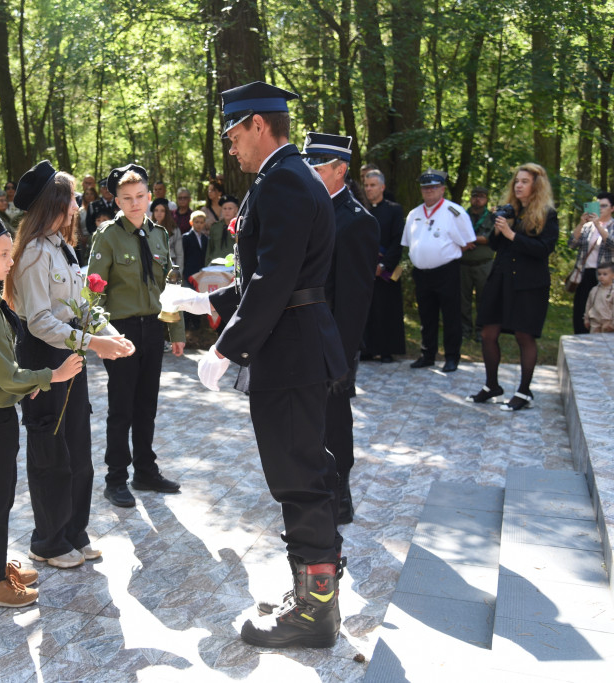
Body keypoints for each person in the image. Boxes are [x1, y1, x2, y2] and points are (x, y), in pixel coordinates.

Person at [163, 82, 349, 649]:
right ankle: (312, 593)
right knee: (298, 473)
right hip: (294, 346)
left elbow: (275, 282)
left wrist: (226, 348)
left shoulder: (286, 181)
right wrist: (206, 302)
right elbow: (263, 278)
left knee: (299, 478)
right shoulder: (287, 178)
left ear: (258, 125)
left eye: (233, 133)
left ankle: (316, 612)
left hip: (291, 353)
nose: (230, 147)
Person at [5, 160, 134, 569]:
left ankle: (74, 531)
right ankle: (47, 540)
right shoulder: (31, 254)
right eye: (73, 197)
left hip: (71, 355)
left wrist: (109, 333)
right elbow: (41, 321)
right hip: (44, 357)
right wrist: (93, 343)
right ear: (55, 203)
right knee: (50, 451)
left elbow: (81, 305)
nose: (78, 205)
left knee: (78, 447)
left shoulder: (61, 247)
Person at [0, 215, 83, 607]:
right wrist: (52, 375)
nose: (11, 261)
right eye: (4, 254)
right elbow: (6, 376)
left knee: (0, 495)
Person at [88, 164, 185, 509]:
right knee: (122, 408)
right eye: (127, 198)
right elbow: (93, 294)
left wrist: (176, 329)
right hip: (122, 333)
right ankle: (116, 478)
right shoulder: (107, 236)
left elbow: (168, 286)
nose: (135, 204)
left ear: (149, 196)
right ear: (116, 200)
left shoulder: (158, 234)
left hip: (152, 327)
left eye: (140, 196)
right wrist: (103, 338)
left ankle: (145, 470)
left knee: (147, 406)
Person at [301, 131, 378, 526]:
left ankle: (341, 491)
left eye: (316, 167)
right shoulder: (308, 208)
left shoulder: (357, 222)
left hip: (333, 343)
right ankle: (312, 486)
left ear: (340, 170)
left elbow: (354, 301)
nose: (309, 173)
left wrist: (343, 360)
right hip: (300, 337)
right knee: (305, 419)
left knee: (335, 417)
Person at [466, 163, 558, 411]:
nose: (518, 185)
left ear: (536, 185)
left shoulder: (547, 213)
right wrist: (499, 229)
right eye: (517, 180)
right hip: (501, 279)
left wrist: (512, 234)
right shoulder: (510, 210)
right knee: (487, 334)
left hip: (529, 283)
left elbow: (543, 249)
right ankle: (492, 386)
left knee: (523, 335)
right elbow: (497, 246)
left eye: (525, 181)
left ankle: (524, 391)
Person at [402, 169, 475, 372]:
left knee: (451, 316)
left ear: (442, 189)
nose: (429, 191)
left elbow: (468, 242)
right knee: (426, 316)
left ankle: (452, 357)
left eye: (433, 187)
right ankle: (427, 354)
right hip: (421, 273)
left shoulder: (455, 212)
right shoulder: (414, 214)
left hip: (446, 272)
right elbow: (408, 243)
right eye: (425, 187)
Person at [360, 170, 406, 362]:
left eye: (373, 185)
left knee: (386, 309)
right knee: (367, 310)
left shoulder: (394, 210)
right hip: (365, 270)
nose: (369, 189)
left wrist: (384, 264)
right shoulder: (361, 209)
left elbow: (398, 240)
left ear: (382, 187)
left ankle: (387, 350)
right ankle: (367, 349)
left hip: (386, 270)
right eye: (367, 185)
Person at [569, 191, 614, 334]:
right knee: (581, 314)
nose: (600, 209)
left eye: (604, 206)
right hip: (586, 275)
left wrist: (599, 225)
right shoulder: (588, 227)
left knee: (607, 315)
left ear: (612, 208)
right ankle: (581, 347)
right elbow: (572, 244)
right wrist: (582, 223)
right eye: (598, 205)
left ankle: (608, 350)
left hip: (607, 277)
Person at [459, 186, 495, 341]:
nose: (477, 199)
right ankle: (464, 330)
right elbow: (453, 235)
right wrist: (467, 240)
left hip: (484, 264)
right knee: (462, 300)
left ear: (486, 199)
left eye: (481, 196)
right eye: (475, 196)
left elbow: (490, 238)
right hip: (463, 263)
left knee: (484, 299)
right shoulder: (461, 215)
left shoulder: (492, 217)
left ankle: (481, 331)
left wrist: (470, 239)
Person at [583, 262, 614, 333]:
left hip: (608, 324)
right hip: (594, 322)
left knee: (607, 343)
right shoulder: (594, 290)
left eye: (605, 274)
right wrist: (586, 319)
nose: (601, 276)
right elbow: (588, 305)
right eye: (599, 274)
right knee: (595, 342)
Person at [149, 198, 183, 270]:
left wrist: (178, 272)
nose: (159, 213)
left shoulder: (175, 229)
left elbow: (179, 254)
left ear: (167, 212)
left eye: (162, 211)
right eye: (156, 210)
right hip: (153, 266)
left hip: (170, 265)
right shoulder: (148, 229)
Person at [206, 194, 239, 265]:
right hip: (216, 265)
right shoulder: (215, 227)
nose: (227, 211)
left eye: (230, 208)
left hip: (234, 265)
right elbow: (210, 249)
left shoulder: (239, 227)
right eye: (224, 208)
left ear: (236, 209)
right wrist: (207, 265)